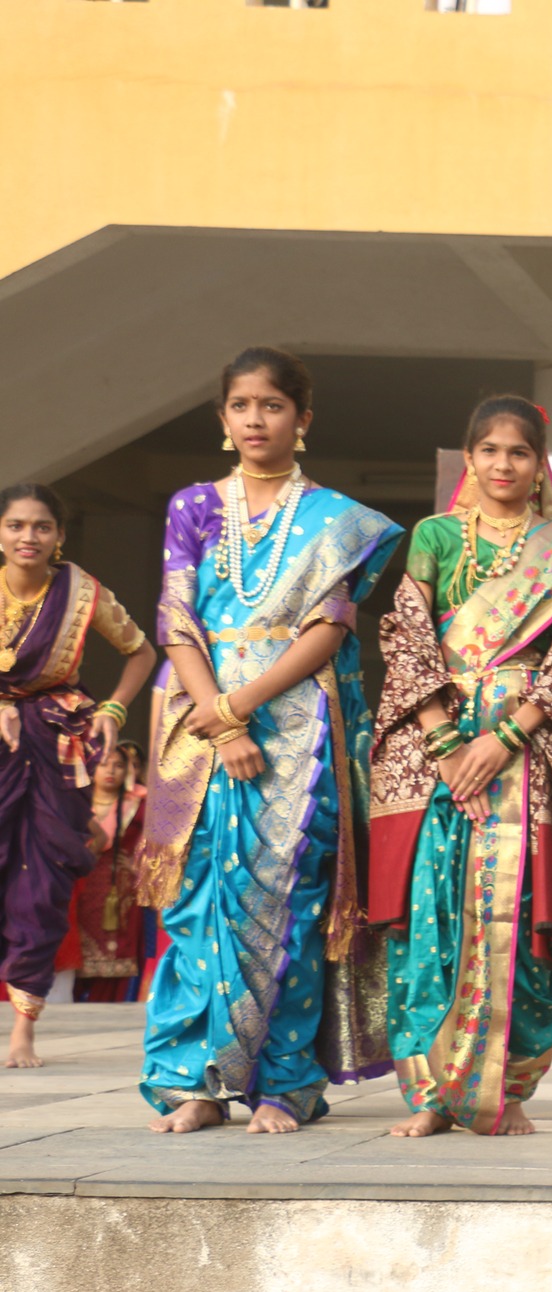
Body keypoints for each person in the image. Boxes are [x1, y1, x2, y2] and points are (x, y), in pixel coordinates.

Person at [137, 347, 402, 1133]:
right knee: (197, 900)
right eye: (241, 405)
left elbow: (330, 626)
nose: (256, 419)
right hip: (196, 723)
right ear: (223, 417)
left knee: (289, 901)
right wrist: (219, 718)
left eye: (272, 405)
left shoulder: (335, 519)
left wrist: (242, 705)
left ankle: (286, 1083)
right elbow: (175, 618)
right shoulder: (193, 505)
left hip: (296, 731)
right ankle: (195, 1082)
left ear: (302, 418)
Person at [369, 396, 552, 1137]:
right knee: (430, 917)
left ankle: (509, 1090)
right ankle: (432, 1096)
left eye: (519, 452)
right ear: (469, 459)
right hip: (435, 756)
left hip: (526, 756)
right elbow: (408, 639)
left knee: (525, 920)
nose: (504, 463)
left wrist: (502, 739)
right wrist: (446, 746)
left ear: (539, 464)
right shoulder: (435, 537)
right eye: (490, 450)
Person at [0, 486, 156, 1066]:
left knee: (40, 886)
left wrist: (113, 708)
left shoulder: (80, 591)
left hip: (56, 745)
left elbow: (141, 652)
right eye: (16, 525)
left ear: (59, 536)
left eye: (42, 527)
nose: (28, 537)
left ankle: (23, 1031)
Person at [67, 740, 151, 1004]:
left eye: (118, 765)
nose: (111, 770)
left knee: (117, 955)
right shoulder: (72, 801)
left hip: (120, 893)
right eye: (104, 764)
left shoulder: (140, 804)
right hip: (79, 887)